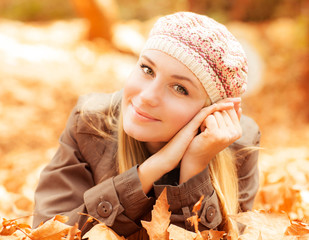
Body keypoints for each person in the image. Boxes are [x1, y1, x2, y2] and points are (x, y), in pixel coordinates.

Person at [33, 12, 260, 239]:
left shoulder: (237, 146)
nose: (148, 96)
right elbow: (47, 233)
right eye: (147, 70)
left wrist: (194, 169)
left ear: (212, 111)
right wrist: (150, 171)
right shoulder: (91, 123)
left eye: (180, 88)